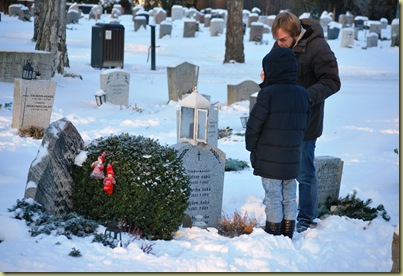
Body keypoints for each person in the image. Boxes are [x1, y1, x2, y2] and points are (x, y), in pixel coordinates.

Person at [270, 11, 341, 233]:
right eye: (277, 40)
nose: (279, 45)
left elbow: (332, 81)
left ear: (294, 33)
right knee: (281, 168)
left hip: (306, 119)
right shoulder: (280, 45)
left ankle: (307, 216)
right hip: (282, 118)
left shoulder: (318, 48)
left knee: (304, 171)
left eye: (283, 40)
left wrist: (305, 97)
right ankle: (283, 212)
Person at [245, 47, 311, 239]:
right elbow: (305, 122)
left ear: (273, 69)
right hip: (292, 155)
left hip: (269, 156)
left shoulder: (268, 94)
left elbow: (254, 123)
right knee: (289, 194)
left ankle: (274, 232)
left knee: (273, 196)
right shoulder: (302, 93)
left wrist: (251, 145)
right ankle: (288, 232)